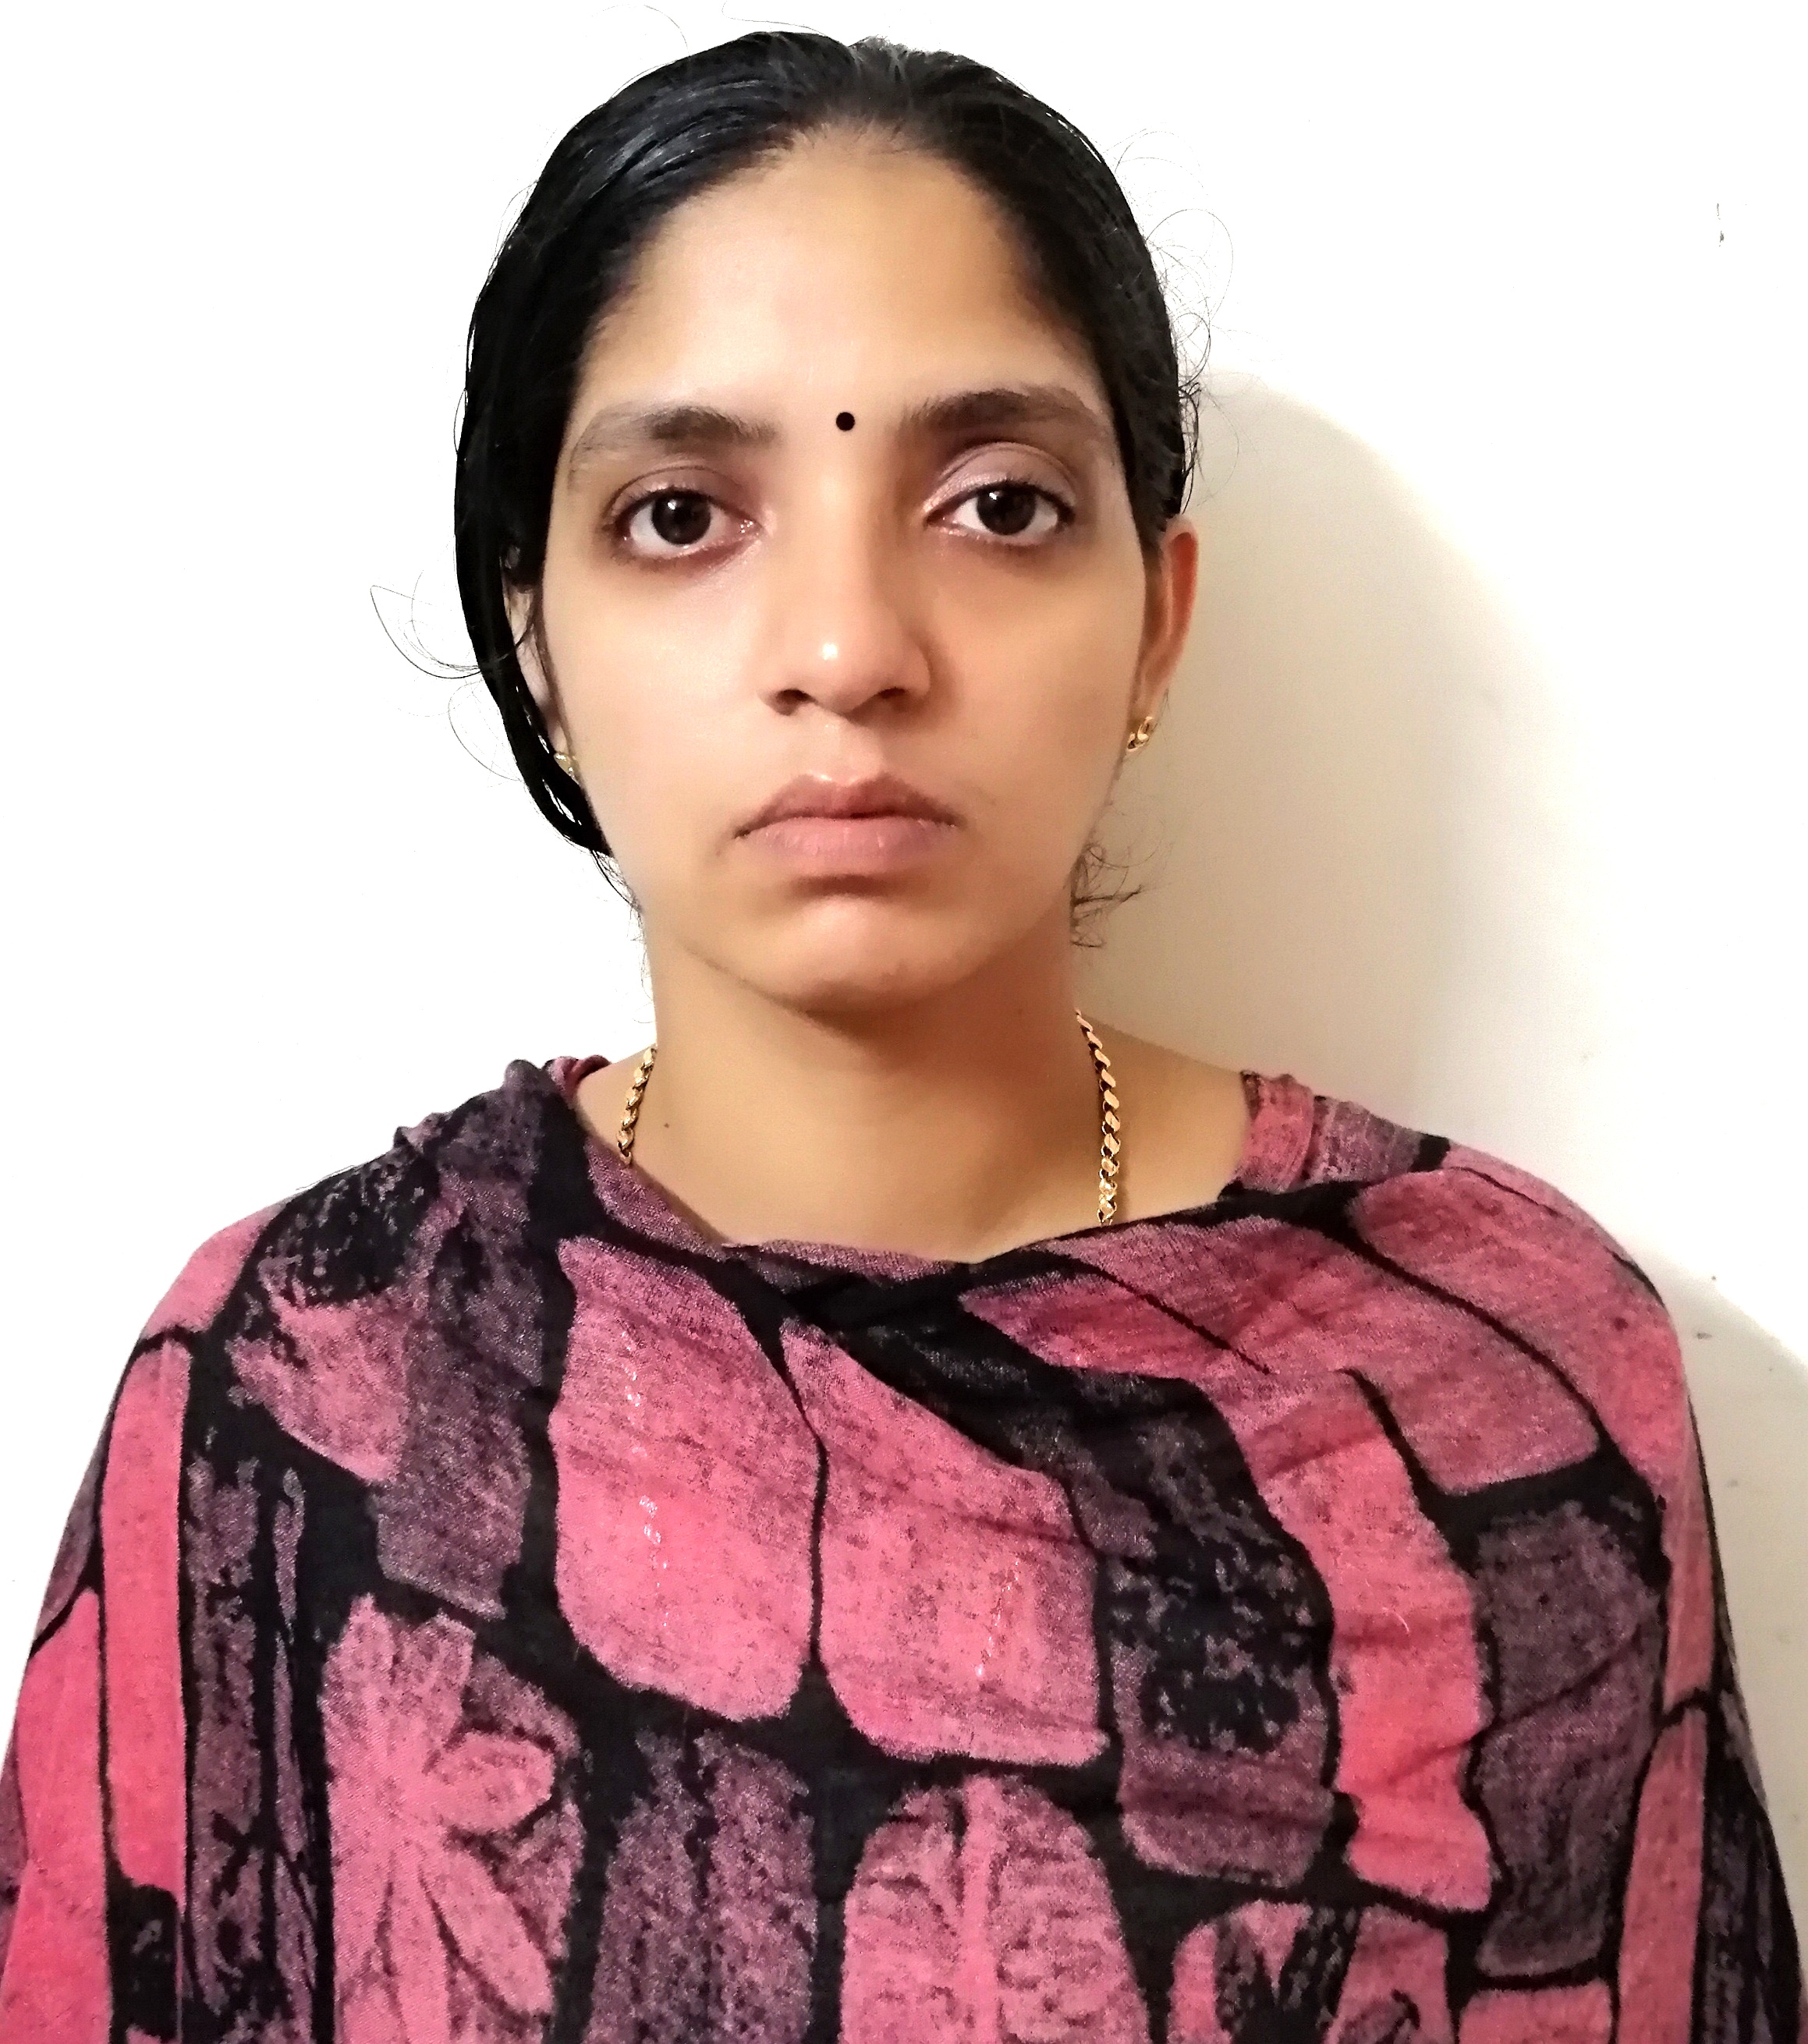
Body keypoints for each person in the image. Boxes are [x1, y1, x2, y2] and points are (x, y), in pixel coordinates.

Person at [0, 28, 1796, 2044]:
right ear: (535, 636)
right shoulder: (306, 1392)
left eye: (997, 505)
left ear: (1158, 621)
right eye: (683, 515)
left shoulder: (1505, 1402)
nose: (850, 651)